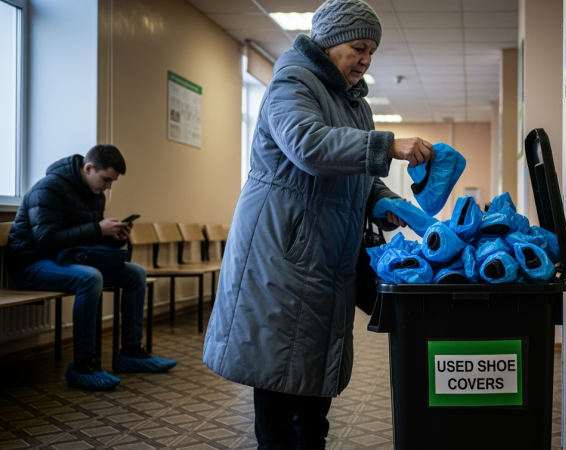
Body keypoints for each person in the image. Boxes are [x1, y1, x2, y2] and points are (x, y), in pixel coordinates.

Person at [202, 0, 431, 448]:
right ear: (328, 44)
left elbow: (358, 178)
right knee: (276, 387)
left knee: (313, 406)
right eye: (358, 47)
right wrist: (391, 145)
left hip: (326, 256)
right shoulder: (292, 82)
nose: (365, 59)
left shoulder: (355, 105)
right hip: (281, 253)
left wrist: (384, 202)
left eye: (372, 52)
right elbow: (308, 144)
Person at [7, 145, 177, 390]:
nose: (108, 187)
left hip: (67, 259)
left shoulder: (95, 193)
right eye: (106, 179)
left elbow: (87, 240)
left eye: (112, 182)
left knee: (135, 273)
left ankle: (130, 352)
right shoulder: (48, 187)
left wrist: (115, 237)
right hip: (31, 264)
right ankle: (83, 364)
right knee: (90, 278)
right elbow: (46, 241)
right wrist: (98, 228)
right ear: (88, 168)